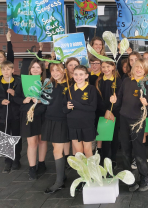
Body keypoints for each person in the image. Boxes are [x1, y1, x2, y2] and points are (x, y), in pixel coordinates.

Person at [113, 59, 148, 192]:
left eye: (141, 68)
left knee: (138, 149)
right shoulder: (126, 81)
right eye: (136, 67)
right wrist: (114, 100)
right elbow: (119, 100)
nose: (138, 69)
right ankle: (129, 179)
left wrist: (146, 103)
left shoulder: (146, 84)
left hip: (138, 120)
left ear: (146, 70)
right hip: (124, 118)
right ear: (132, 68)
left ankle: (144, 177)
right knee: (125, 150)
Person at [18, 59, 48, 180]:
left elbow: (52, 99)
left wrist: (40, 100)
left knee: (42, 140)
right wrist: (23, 100)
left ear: (42, 70)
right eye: (33, 67)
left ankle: (42, 164)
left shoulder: (47, 83)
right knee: (32, 142)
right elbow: (16, 98)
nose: (35, 70)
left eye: (38, 68)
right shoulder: (23, 82)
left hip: (43, 114)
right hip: (29, 115)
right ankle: (32, 167)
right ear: (29, 69)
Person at [42, 63, 69, 193]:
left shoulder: (69, 85)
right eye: (52, 70)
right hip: (50, 119)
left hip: (61, 121)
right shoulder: (48, 85)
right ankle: (62, 177)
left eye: (57, 70)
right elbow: (44, 100)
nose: (55, 73)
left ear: (64, 71)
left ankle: (59, 182)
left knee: (57, 151)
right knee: (56, 149)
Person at [64, 65, 97, 159]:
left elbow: (92, 108)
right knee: (79, 152)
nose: (78, 77)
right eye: (76, 74)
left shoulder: (91, 89)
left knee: (87, 150)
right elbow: (64, 109)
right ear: (72, 76)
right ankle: (82, 173)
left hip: (87, 124)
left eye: (81, 74)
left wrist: (76, 104)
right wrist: (67, 107)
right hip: (73, 124)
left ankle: (90, 172)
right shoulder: (69, 90)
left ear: (86, 76)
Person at [95, 61, 122, 168]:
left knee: (114, 136)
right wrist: (106, 110)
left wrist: (111, 110)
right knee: (105, 136)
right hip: (102, 113)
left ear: (113, 67)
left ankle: (113, 158)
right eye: (103, 67)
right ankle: (105, 158)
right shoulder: (99, 81)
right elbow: (98, 99)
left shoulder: (119, 81)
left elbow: (120, 98)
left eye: (108, 66)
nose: (106, 69)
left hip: (115, 113)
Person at [0, 61, 23, 173]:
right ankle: (7, 161)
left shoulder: (19, 81)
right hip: (3, 116)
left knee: (16, 138)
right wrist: (1, 101)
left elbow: (23, 97)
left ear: (13, 70)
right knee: (5, 138)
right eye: (3, 69)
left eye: (8, 69)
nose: (6, 71)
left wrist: (15, 94)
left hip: (16, 115)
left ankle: (16, 160)